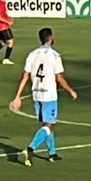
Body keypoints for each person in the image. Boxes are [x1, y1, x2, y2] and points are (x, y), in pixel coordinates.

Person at [11, 26, 78, 166]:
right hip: (49, 95)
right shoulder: (54, 55)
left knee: (47, 124)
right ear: (51, 38)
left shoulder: (32, 54)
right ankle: (30, 148)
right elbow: (59, 78)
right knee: (50, 124)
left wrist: (18, 96)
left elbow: (25, 76)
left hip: (36, 93)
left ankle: (52, 153)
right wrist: (70, 90)